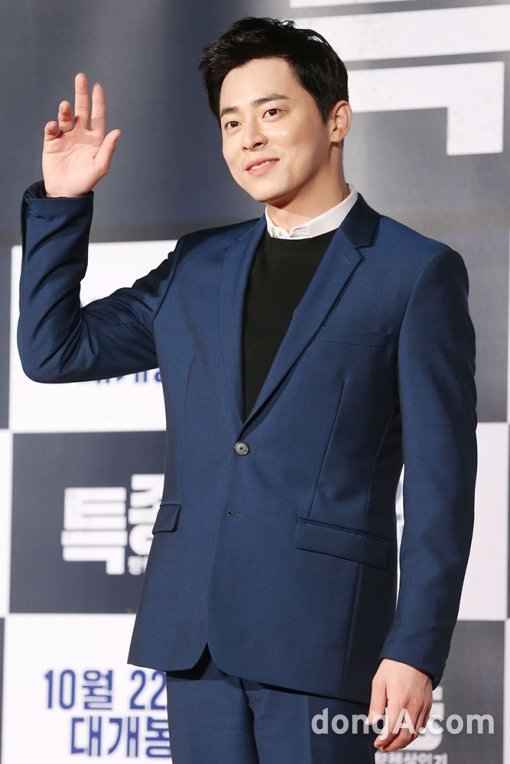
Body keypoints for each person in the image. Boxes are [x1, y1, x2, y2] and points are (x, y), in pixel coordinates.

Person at [18, 16, 477, 764]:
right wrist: (63, 204)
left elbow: (441, 486)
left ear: (336, 120)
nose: (249, 139)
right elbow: (53, 351)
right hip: (193, 636)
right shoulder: (198, 265)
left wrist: (415, 648)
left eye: (271, 112)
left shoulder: (414, 272)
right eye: (232, 122)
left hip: (322, 641)